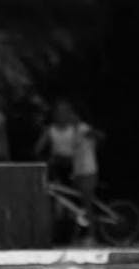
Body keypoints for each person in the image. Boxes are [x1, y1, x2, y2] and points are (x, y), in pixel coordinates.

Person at [34, 99, 104, 245]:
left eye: (67, 112)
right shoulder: (63, 130)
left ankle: (92, 236)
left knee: (86, 202)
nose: (64, 115)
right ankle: (72, 235)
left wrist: (92, 135)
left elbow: (98, 137)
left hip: (87, 170)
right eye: (60, 111)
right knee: (72, 204)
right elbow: (42, 149)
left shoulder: (81, 128)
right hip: (74, 170)